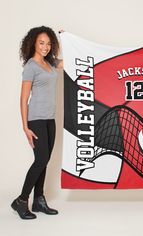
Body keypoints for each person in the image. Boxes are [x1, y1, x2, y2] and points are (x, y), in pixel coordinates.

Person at [11, 26, 63, 220]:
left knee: (45, 160)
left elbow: (70, 61)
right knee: (40, 160)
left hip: (50, 118)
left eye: (49, 44)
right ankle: (21, 201)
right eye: (42, 43)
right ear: (33, 43)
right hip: (36, 119)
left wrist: (66, 39)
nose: (45, 47)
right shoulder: (31, 67)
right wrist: (25, 127)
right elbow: (23, 99)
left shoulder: (50, 63)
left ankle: (39, 200)